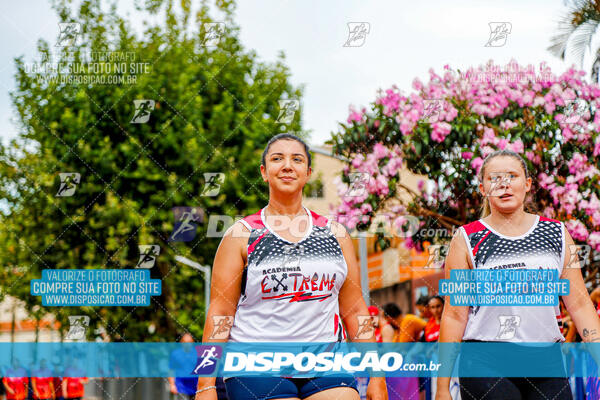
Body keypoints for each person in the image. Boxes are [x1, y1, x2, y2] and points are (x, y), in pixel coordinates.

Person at [194, 134, 387, 400]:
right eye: (277, 159)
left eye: (297, 160)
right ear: (264, 172)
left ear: (307, 173)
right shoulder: (242, 234)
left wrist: (377, 376)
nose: (287, 166)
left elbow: (355, 311)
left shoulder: (335, 234)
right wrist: (205, 385)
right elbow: (220, 313)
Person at [436, 149, 600, 400]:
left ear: (527, 184)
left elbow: (579, 303)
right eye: (494, 178)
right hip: (485, 361)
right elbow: (455, 315)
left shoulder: (557, 233)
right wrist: (441, 387)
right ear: (482, 188)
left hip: (547, 362)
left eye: (511, 176)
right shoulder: (466, 238)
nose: (504, 185)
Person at [381, 303, 425, 400]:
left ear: (389, 318)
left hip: (424, 357)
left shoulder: (407, 321)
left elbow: (401, 347)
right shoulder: (400, 326)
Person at [169, 333, 200, 400]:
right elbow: (171, 370)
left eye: (189, 342)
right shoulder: (175, 354)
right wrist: (172, 385)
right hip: (180, 387)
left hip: (195, 387)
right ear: (181, 342)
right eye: (185, 342)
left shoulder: (198, 353)